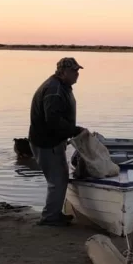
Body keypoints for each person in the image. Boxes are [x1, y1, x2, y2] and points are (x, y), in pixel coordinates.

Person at [28, 57, 87, 226]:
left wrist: (70, 132)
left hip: (52, 140)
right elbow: (53, 121)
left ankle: (54, 214)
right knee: (58, 180)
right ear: (62, 72)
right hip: (46, 142)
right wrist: (75, 131)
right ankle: (50, 218)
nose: (77, 74)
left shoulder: (62, 86)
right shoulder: (54, 90)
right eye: (74, 71)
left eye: (78, 71)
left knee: (59, 178)